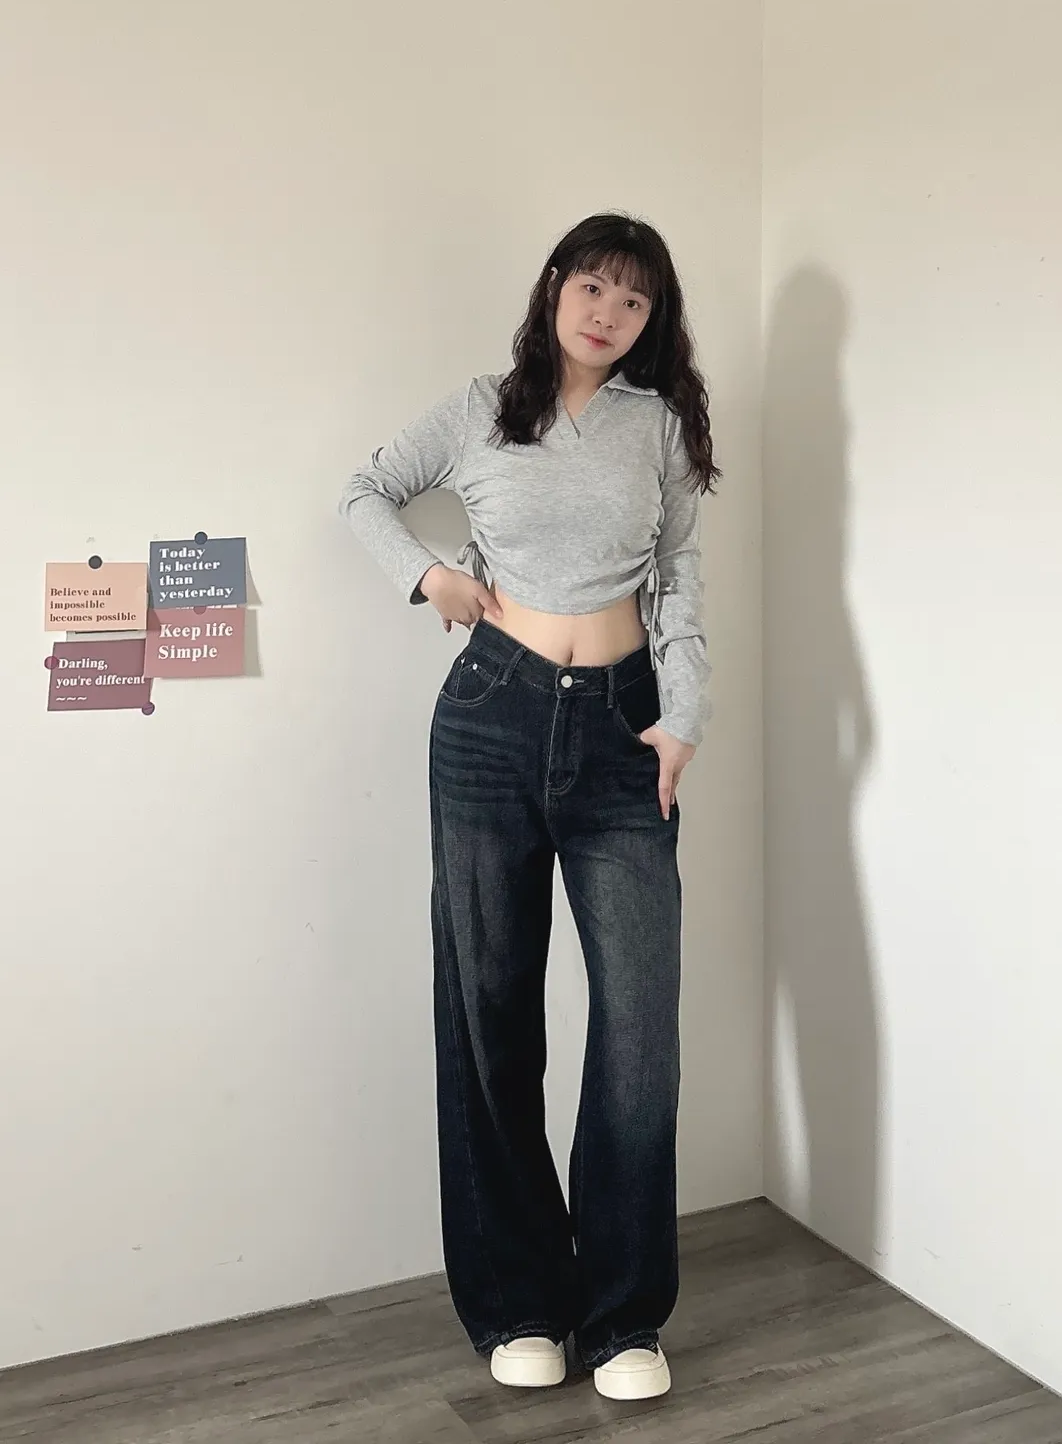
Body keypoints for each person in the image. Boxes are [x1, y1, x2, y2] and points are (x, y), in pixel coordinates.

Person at [338, 213, 716, 1402]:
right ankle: (518, 1301)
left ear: (653, 321)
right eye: (593, 285)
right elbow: (363, 491)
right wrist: (428, 574)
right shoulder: (479, 408)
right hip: (490, 720)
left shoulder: (658, 426)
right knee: (490, 1013)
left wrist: (684, 715)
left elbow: (680, 576)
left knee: (639, 1034)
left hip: (624, 730)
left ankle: (623, 1318)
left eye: (634, 300)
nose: (608, 312)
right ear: (555, 287)